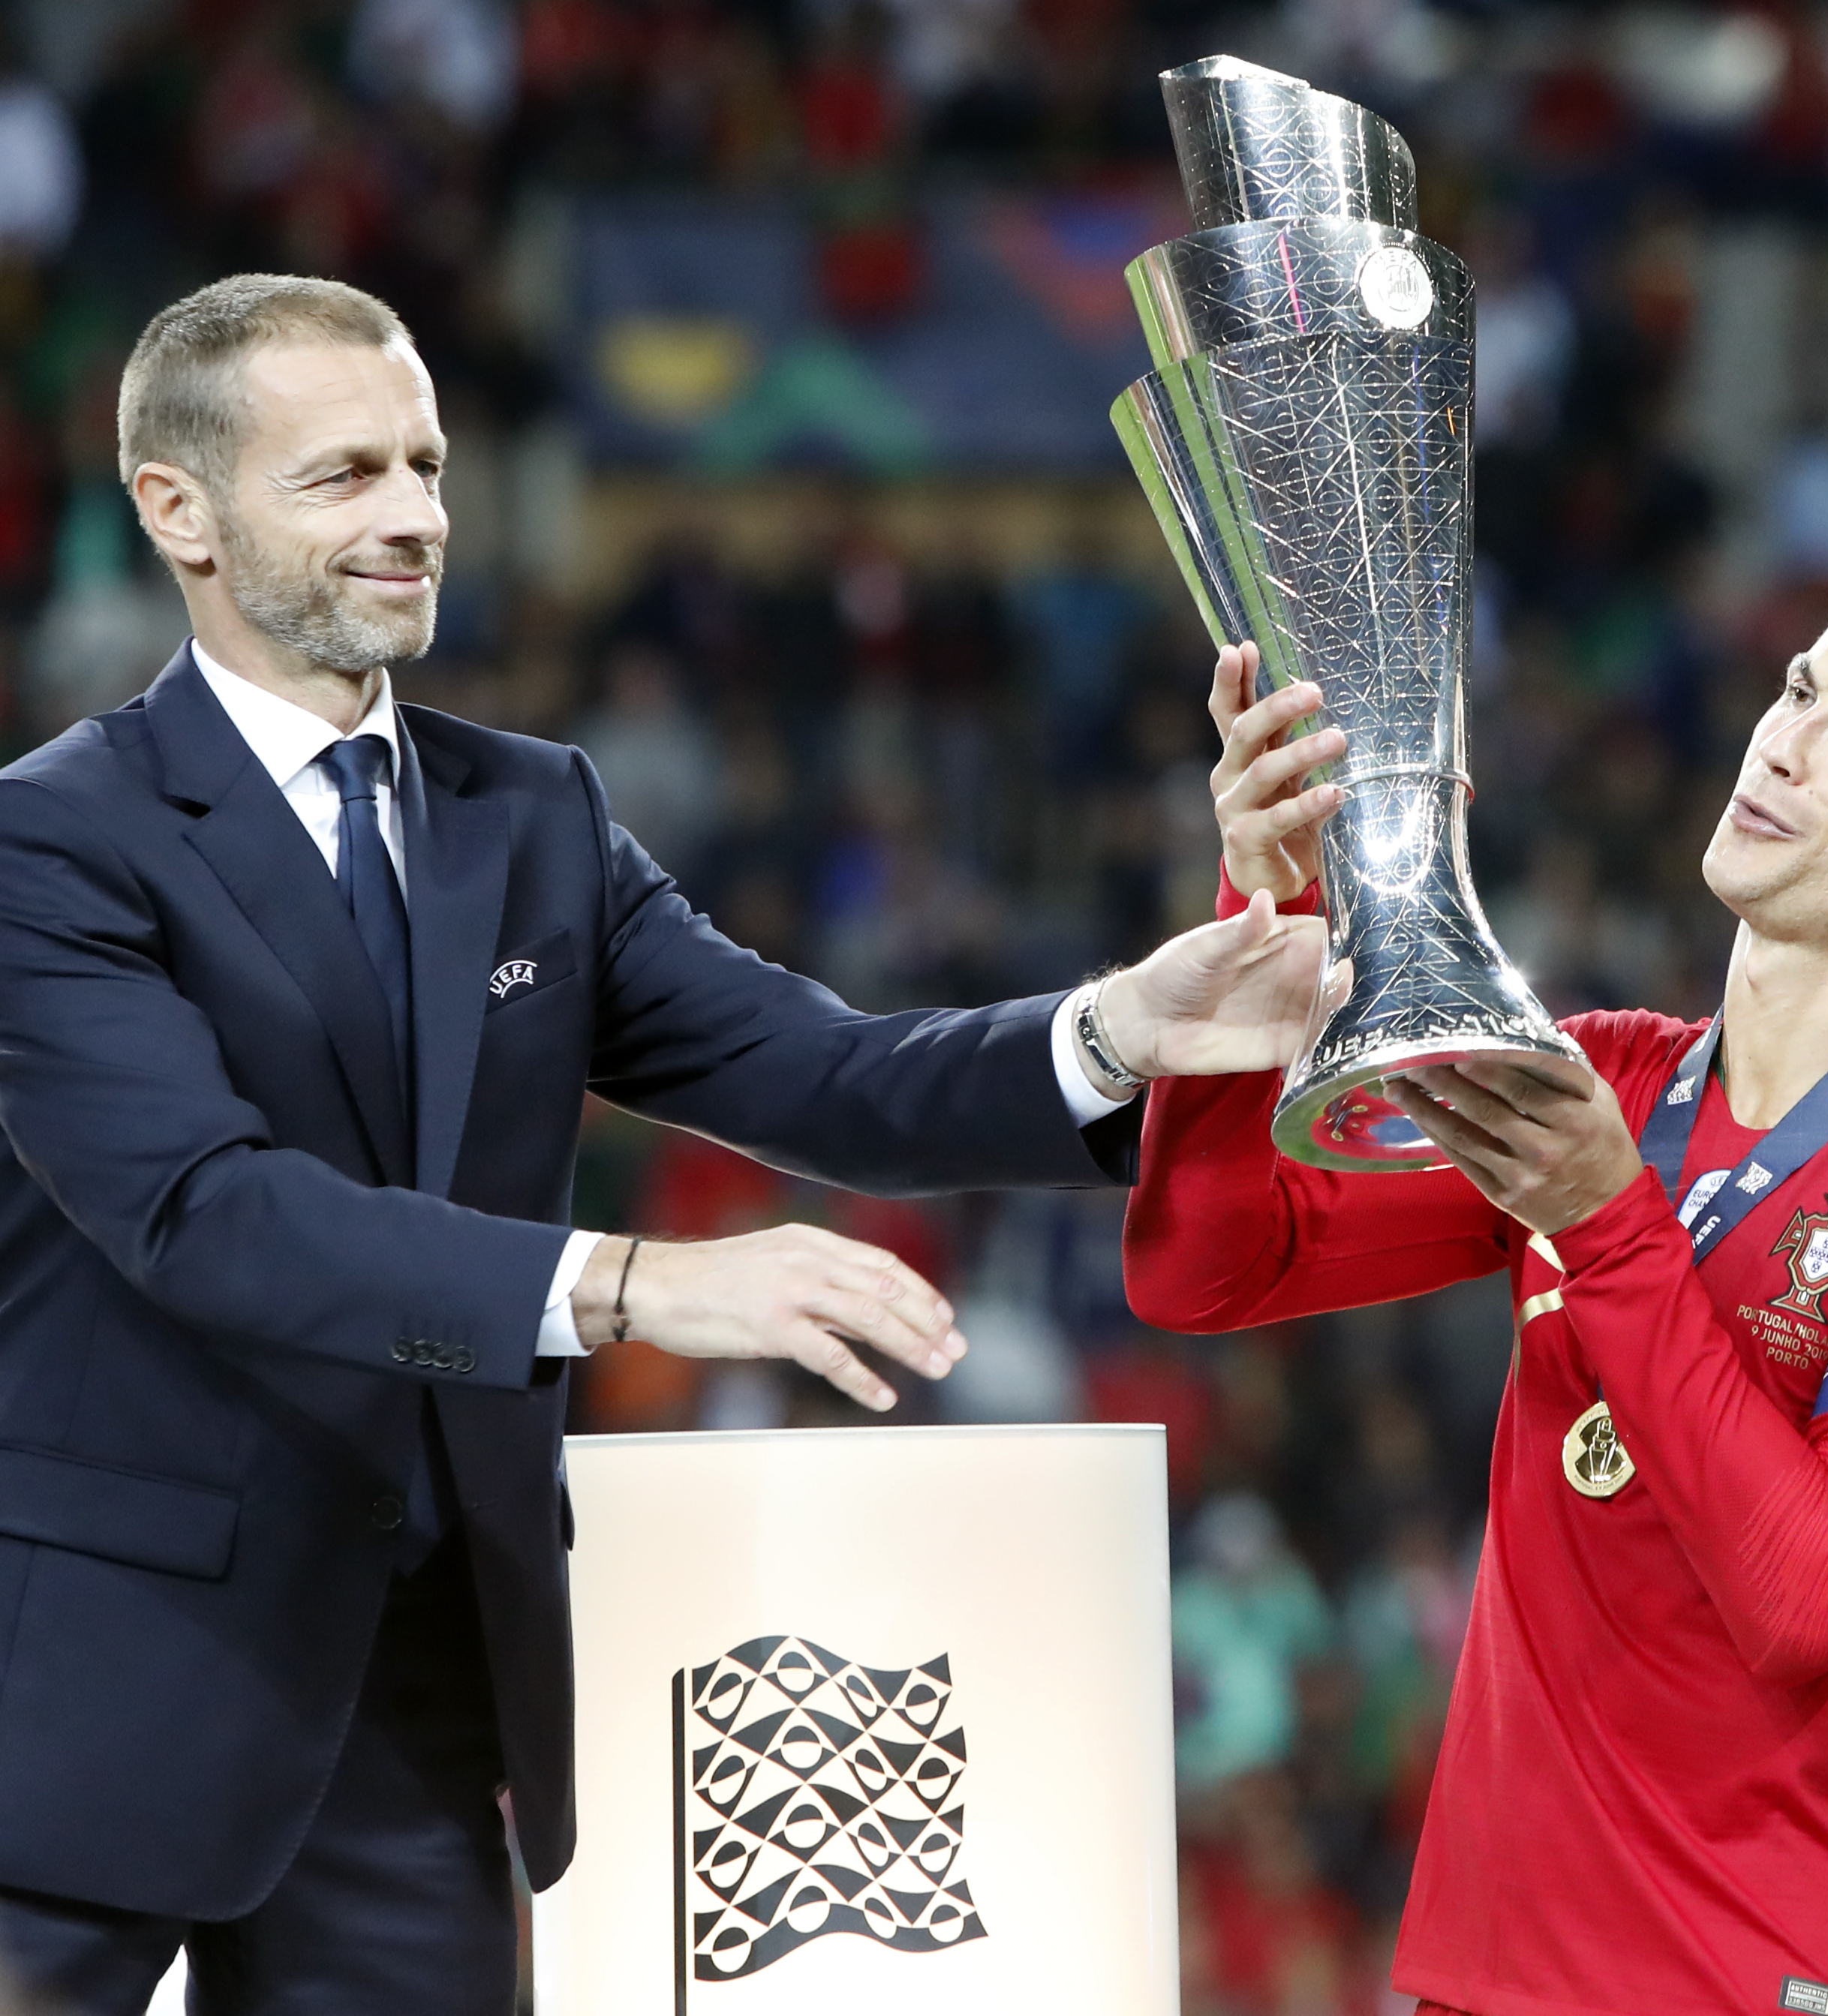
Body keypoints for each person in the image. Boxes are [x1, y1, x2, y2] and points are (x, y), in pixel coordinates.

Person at [0, 274, 1322, 2014]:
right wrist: (632, 1283)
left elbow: (823, 1077)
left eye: (427, 464)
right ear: (177, 511)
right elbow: (208, 1215)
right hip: (93, 1699)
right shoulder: (53, 844)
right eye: (342, 478)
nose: (411, 518)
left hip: (419, 1703)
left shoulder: (531, 814)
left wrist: (1113, 1032)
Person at [1128, 542, 1828, 2016]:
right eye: (1799, 691)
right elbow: (1210, 1267)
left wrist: (1604, 1219)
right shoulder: (1599, 1080)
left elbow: (1807, 1594)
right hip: (1478, 1979)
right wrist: (1258, 912)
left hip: (1753, 1975)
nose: (1782, 747)